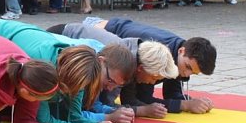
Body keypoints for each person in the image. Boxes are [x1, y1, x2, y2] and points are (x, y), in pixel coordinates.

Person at [0, 19, 119, 123]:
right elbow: (44, 120)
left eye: (81, 88)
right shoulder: (43, 70)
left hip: (21, 34)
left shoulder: (81, 72)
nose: (79, 91)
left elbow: (73, 116)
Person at [46, 22, 181, 119]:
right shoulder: (118, 66)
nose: (152, 83)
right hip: (56, 38)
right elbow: (94, 105)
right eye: (154, 78)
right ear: (140, 69)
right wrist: (114, 115)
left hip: (66, 36)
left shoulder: (131, 59)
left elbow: (117, 101)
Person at [89, 18, 217, 115]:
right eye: (188, 67)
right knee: (104, 90)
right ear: (181, 51)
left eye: (193, 73)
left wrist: (188, 102)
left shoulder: (178, 54)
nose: (186, 74)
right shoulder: (155, 57)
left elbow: (172, 94)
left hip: (109, 34)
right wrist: (184, 105)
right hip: (95, 28)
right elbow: (139, 98)